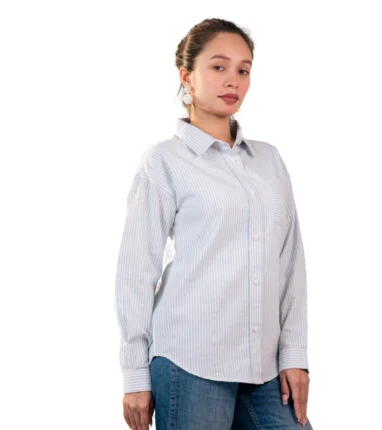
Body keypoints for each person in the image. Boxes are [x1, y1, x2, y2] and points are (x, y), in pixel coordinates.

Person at [114, 17, 313, 430]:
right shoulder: (163, 162)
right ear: (186, 75)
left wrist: (294, 356)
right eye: (218, 66)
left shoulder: (269, 160)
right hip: (189, 363)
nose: (233, 80)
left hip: (264, 367)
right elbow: (136, 272)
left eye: (243, 70)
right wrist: (134, 375)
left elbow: (290, 262)